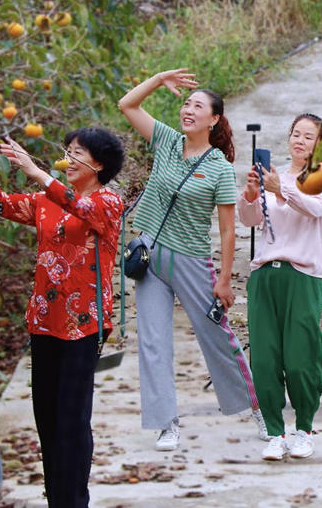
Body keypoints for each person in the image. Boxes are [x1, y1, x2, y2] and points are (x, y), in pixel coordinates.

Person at [117, 68, 267, 451]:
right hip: (150, 255)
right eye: (186, 103)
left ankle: (258, 407)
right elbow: (127, 104)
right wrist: (157, 79)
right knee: (152, 342)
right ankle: (166, 422)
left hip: (191, 259)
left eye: (197, 106)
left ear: (214, 119)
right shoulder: (166, 141)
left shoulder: (217, 166)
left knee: (217, 336)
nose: (188, 110)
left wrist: (224, 280)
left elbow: (229, 229)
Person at [0, 127, 125, 507]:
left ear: (98, 165)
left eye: (78, 154)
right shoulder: (47, 201)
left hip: (84, 323)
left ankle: (75, 500)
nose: (69, 159)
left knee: (72, 420)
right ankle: (56, 498)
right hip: (45, 320)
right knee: (46, 415)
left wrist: (38, 172)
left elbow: (83, 208)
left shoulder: (108, 203)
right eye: (68, 151)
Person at [238, 113, 322, 460]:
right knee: (265, 357)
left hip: (304, 276)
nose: (299, 140)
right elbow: (250, 221)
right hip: (265, 274)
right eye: (296, 134)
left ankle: (305, 428)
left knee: (301, 357)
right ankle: (275, 432)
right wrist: (251, 195)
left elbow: (314, 209)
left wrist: (282, 189)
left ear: (319, 143)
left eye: (308, 136)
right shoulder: (272, 175)